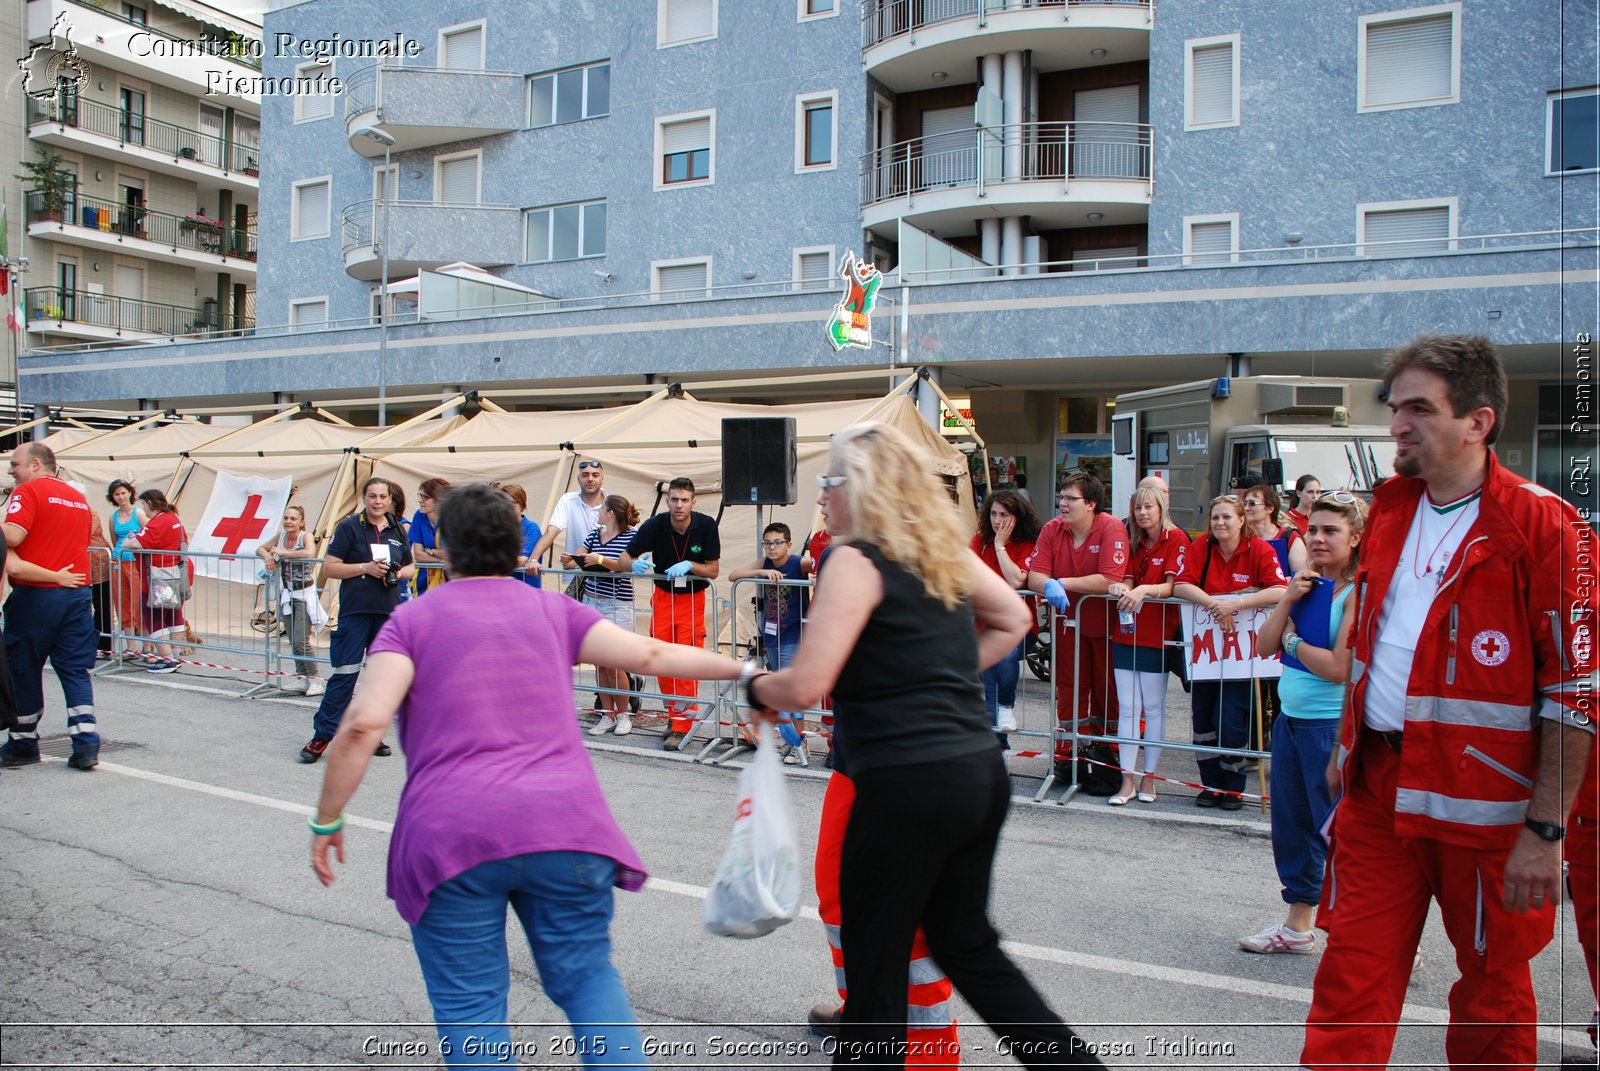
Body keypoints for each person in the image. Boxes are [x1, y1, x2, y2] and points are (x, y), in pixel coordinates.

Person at [308, 483, 750, 1069]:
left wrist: (328, 818)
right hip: (565, 826)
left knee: (473, 1010)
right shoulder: (553, 610)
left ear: (444, 545)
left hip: (452, 837)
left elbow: (364, 725)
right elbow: (651, 655)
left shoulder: (412, 622)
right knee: (588, 982)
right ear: (514, 543)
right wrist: (748, 672)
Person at [746, 422, 1102, 1069]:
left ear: (860, 487)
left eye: (829, 482)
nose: (822, 496)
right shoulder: (939, 546)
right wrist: (940, 675)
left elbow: (807, 682)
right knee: (967, 946)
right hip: (975, 774)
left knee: (876, 970)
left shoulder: (854, 557)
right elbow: (1015, 618)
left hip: (905, 782)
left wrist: (753, 688)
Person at [1301, 335, 1595, 1071]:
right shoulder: (1391, 513)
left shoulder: (1547, 527)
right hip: (1379, 791)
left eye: (1420, 408)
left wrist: (1546, 828)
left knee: (1493, 996)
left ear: (1478, 421)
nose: (1398, 423)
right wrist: (1346, 748)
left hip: (1488, 810)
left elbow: (1578, 690)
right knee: (1349, 978)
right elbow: (1370, 648)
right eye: (1395, 406)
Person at [1244, 491, 1365, 953]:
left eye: (1330, 530)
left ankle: (1375, 935)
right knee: (1292, 826)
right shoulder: (1306, 582)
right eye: (1312, 529)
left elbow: (1339, 666)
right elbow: (1262, 644)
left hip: (1331, 728)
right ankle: (1298, 926)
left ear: (1354, 537)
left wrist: (1291, 645)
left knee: (1340, 833)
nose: (1316, 538)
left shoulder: (1358, 591)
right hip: (1291, 721)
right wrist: (1287, 600)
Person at [1171, 494, 1287, 810]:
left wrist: (1236, 603)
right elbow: (1181, 584)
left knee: (1231, 721)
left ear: (1241, 520)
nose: (1220, 523)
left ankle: (1233, 787)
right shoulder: (1202, 548)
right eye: (1215, 518)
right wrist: (1214, 604)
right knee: (1203, 720)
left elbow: (1279, 589)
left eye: (1227, 517)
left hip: (1241, 658)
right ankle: (1210, 785)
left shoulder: (1259, 549)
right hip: (1206, 656)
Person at [298, 477, 414, 764]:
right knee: (345, 675)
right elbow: (330, 567)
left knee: (379, 681)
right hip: (356, 612)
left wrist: (397, 573)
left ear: (390, 499)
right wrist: (365, 568)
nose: (377, 501)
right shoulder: (349, 527)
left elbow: (412, 567)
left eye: (382, 497)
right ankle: (322, 735)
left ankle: (369, 733)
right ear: (364, 498)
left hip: (387, 612)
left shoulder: (398, 527)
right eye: (372, 496)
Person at [0, 443, 99, 770]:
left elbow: (12, 536)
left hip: (37, 595)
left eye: (15, 464)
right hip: (77, 594)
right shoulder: (79, 500)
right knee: (74, 668)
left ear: (36, 464)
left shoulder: (28, 492)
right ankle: (86, 743)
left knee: (23, 667)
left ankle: (23, 743)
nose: (11, 470)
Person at [1026, 473, 1127, 782]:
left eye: (1071, 498)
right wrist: (1048, 584)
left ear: (1092, 504)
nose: (1063, 503)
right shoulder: (1052, 529)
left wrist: (1061, 583)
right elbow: (1035, 576)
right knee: (1069, 689)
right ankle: (1069, 754)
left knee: (1106, 691)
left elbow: (1110, 577)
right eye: (1062, 496)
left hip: (1105, 626)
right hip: (1067, 625)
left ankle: (1106, 753)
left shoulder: (1111, 527)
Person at [620, 477, 720, 749]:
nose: (679, 505)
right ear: (667, 501)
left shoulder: (706, 525)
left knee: (686, 660)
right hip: (663, 598)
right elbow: (623, 558)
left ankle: (684, 723)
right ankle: (673, 715)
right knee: (662, 660)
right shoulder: (655, 525)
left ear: (693, 502)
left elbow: (713, 570)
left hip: (692, 598)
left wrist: (690, 564)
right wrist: (634, 564)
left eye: (684, 500)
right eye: (674, 499)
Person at [1106, 485, 1189, 806]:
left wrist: (1143, 591)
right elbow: (1127, 576)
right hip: (1126, 632)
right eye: (1137, 508)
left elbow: (1173, 586)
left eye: (1148, 507)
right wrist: (1122, 586)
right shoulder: (1132, 539)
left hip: (1157, 635)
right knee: (1127, 708)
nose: (1142, 513)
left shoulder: (1177, 538)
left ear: (1161, 508)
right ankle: (1126, 781)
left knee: (1153, 709)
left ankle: (1149, 779)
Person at [729, 522, 813, 765]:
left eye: (777, 542)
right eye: (767, 543)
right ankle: (790, 740)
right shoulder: (765, 562)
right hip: (770, 633)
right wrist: (762, 573)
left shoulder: (798, 562)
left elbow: (819, 565)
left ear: (788, 544)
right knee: (779, 687)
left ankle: (799, 741)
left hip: (792, 634)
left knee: (790, 689)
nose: (772, 547)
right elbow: (733, 575)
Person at [970, 490, 1040, 738]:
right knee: (989, 690)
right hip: (983, 627)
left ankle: (1007, 705)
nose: (997, 521)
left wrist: (1000, 546)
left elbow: (1015, 581)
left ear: (1017, 517)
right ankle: (998, 753)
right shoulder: (978, 542)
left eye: (1004, 515)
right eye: (993, 514)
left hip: (1020, 626)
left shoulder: (1028, 545)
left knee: (1005, 657)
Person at [572, 493, 639, 736]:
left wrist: (599, 559)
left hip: (617, 604)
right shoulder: (593, 534)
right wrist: (571, 559)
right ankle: (606, 715)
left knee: (615, 664)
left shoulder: (632, 537)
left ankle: (624, 715)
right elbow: (578, 556)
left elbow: (628, 565)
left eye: (602, 509)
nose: (598, 512)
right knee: (599, 662)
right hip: (592, 600)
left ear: (610, 513)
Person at [257, 505, 324, 696]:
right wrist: (268, 556)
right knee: (293, 641)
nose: (288, 521)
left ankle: (315, 679)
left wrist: (284, 553)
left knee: (301, 640)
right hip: (287, 593)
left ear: (301, 521)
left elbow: (310, 553)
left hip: (304, 594)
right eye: (286, 518)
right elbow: (260, 548)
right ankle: (303, 678)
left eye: (293, 518)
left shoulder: (306, 536)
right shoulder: (281, 537)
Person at [123, 489, 191, 675]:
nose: (142, 508)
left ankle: (166, 658)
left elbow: (137, 543)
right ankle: (174, 655)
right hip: (174, 574)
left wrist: (128, 542)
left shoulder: (158, 522)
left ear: (149, 503)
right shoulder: (173, 519)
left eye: (143, 504)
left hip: (158, 576)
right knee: (173, 613)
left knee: (154, 616)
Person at [529, 456, 607, 581]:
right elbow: (551, 531)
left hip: (608, 577)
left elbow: (628, 536)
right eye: (585, 475)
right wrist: (533, 559)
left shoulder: (613, 502)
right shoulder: (568, 500)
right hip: (576, 576)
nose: (590, 479)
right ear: (578, 479)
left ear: (602, 478)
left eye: (595, 475)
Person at [107, 479, 149, 662]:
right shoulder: (113, 516)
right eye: (117, 494)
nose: (121, 497)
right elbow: (114, 537)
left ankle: (147, 645)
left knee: (140, 601)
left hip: (136, 563)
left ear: (130, 493)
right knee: (122, 603)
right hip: (118, 561)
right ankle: (130, 645)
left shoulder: (138, 513)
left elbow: (150, 533)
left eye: (123, 493)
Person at [1243, 483, 1309, 578]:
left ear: (1270, 509)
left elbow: (1301, 578)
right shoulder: (1241, 537)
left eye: (1252, 503)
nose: (1246, 508)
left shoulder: (1290, 538)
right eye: (1244, 503)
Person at [409, 477, 451, 596]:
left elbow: (454, 554)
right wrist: (442, 559)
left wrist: (430, 551)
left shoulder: (452, 518)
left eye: (425, 497)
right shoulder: (419, 515)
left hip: (450, 582)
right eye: (420, 496)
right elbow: (418, 555)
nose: (420, 501)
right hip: (425, 581)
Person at [498, 483, 542, 586]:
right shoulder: (498, 528)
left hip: (527, 591)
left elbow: (522, 560)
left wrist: (492, 561)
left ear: (522, 505)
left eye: (512, 503)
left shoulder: (531, 528)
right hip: (504, 589)